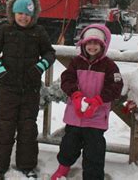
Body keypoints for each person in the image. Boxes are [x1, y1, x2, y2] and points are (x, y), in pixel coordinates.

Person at [0, 0, 56, 179]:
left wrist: (39, 67)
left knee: (28, 128)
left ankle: (27, 166)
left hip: (30, 89)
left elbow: (50, 53)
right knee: (5, 128)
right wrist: (1, 69)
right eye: (20, 13)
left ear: (33, 15)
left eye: (27, 14)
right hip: (8, 89)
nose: (23, 17)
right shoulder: (4, 29)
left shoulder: (38, 32)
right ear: (13, 13)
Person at [50, 24, 123, 180]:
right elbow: (66, 79)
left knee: (94, 151)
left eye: (96, 43)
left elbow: (116, 87)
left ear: (103, 45)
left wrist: (98, 100)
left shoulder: (109, 66)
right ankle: (63, 167)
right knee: (68, 145)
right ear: (83, 44)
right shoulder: (76, 62)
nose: (92, 46)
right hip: (75, 115)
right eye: (89, 43)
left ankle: (93, 177)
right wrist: (75, 95)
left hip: (96, 118)